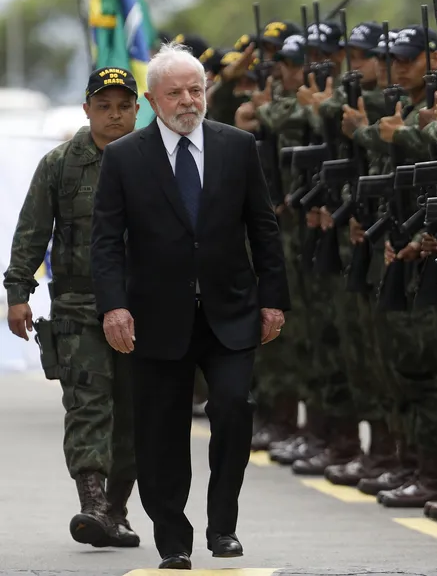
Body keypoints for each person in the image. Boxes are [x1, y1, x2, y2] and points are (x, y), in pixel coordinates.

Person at [89, 43, 290, 570]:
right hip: (155, 317)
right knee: (161, 430)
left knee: (233, 407)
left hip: (231, 312)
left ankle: (222, 524)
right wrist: (114, 307)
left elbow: (263, 229)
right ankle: (172, 537)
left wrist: (273, 300)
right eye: (175, 92)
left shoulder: (237, 147)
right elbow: (107, 242)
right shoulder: (125, 157)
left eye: (195, 90)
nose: (188, 101)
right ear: (153, 99)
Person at [4, 67, 142, 550]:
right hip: (78, 303)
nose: (114, 115)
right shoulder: (60, 164)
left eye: (123, 105)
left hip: (140, 305)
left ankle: (117, 511)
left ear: (137, 110)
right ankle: (93, 503)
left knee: (133, 411)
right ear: (87, 110)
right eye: (104, 105)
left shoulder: (154, 161)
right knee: (87, 404)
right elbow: (31, 231)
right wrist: (17, 293)